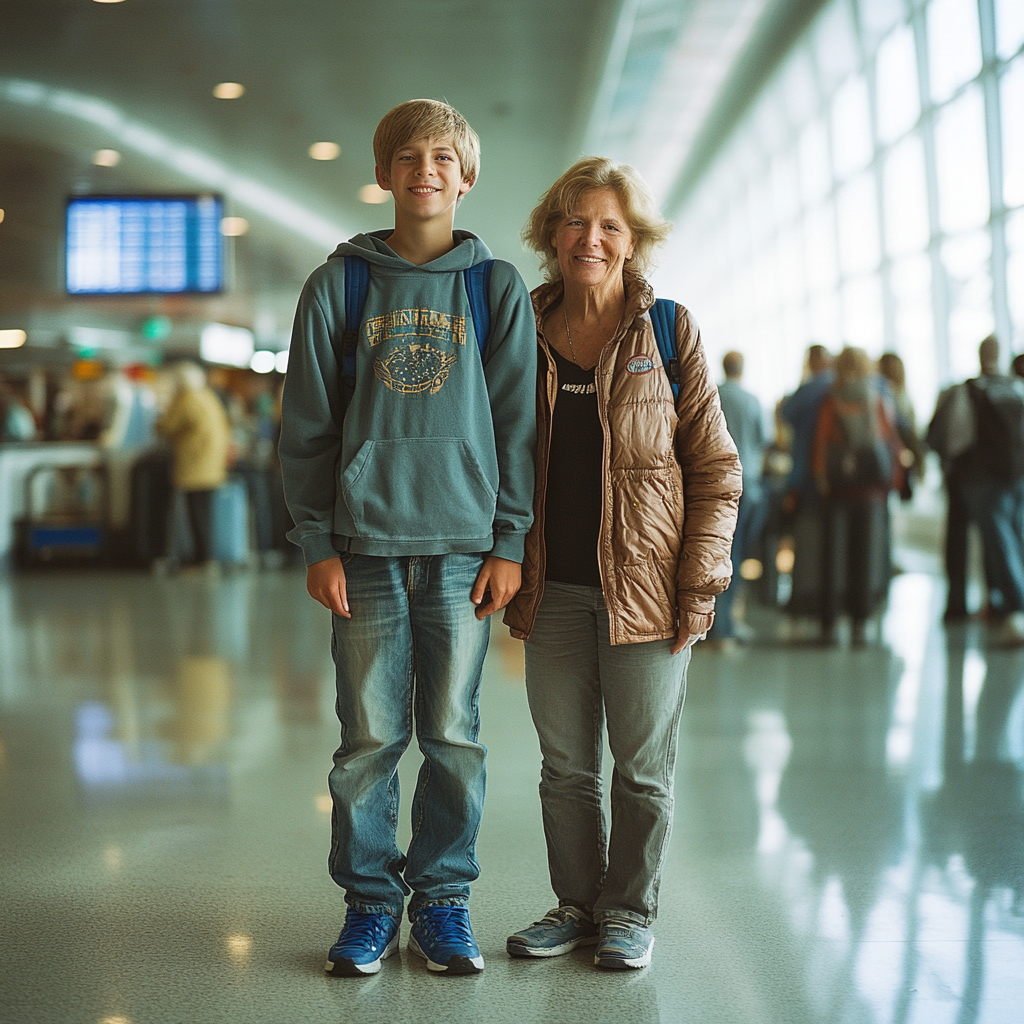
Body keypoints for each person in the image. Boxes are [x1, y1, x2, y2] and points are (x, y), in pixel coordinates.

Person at [278, 99, 537, 977]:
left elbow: (516, 428)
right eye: (407, 156)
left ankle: (445, 904)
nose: (425, 169)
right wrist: (318, 540)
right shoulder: (339, 285)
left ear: (465, 179)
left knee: (454, 736)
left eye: (442, 157)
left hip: (464, 545)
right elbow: (306, 427)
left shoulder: (492, 288)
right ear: (384, 173)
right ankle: (368, 907)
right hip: (365, 548)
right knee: (368, 741)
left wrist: (510, 540)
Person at [502, 157, 741, 970]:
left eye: (610, 225)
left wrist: (699, 584)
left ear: (634, 241)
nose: (591, 239)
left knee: (640, 770)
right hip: (553, 590)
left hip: (644, 592)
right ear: (551, 234)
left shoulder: (668, 332)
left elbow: (716, 469)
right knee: (565, 768)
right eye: (576, 221)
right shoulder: (520, 333)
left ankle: (629, 912)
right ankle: (576, 903)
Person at [812, 347, 902, 645]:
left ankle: (829, 623)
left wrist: (822, 477)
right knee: (865, 555)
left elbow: (823, 438)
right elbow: (890, 438)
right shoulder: (877, 395)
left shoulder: (832, 395)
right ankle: (860, 624)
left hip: (839, 486)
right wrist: (892, 479)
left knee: (833, 556)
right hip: (871, 489)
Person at [708, 350, 766, 646]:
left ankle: (711, 621)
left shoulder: (712, 394)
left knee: (712, 552)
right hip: (746, 486)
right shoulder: (752, 401)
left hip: (714, 485)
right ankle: (728, 624)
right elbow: (763, 440)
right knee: (737, 553)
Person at [156, 362, 231, 567]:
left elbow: (167, 426)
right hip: (212, 464)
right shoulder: (208, 396)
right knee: (205, 514)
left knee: (195, 513)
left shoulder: (187, 399)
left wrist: (159, 418)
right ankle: (206, 556)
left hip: (195, 465)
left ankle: (201, 558)